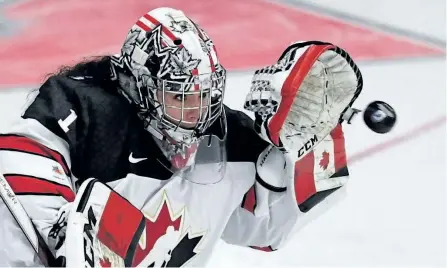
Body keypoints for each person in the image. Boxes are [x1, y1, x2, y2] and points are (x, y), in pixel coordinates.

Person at [0, 7, 363, 267]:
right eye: (180, 96)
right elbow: (18, 157)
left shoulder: (226, 139)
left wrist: (308, 137)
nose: (198, 113)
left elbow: (266, 230)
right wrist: (63, 234)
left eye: (204, 95)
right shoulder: (88, 110)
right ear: (139, 87)